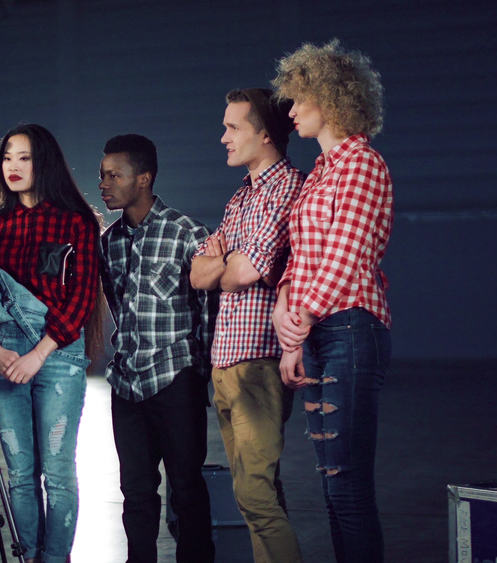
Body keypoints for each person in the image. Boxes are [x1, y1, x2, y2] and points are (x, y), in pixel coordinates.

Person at [271, 40, 394, 563]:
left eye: (300, 99)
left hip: (349, 329)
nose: (291, 110)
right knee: (331, 489)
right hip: (320, 329)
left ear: (332, 99)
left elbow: (347, 257)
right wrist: (285, 310)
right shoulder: (320, 173)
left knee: (348, 489)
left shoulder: (362, 164)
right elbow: (300, 258)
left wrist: (296, 325)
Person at [0, 124, 101, 563]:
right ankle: (27, 558)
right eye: (7, 157)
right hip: (3, 356)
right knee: (21, 474)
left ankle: (55, 558)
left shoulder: (75, 221)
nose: (13, 167)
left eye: (24, 157)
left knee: (58, 474)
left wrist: (37, 355)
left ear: (43, 162)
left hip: (58, 357)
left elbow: (80, 298)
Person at [190, 88, 304, 562]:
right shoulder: (241, 199)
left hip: (259, 362)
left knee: (256, 496)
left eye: (233, 127)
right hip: (225, 363)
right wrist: (226, 264)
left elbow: (243, 271)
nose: (223, 138)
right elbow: (200, 273)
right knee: (254, 495)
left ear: (265, 134)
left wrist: (228, 263)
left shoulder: (288, 188)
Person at [98, 134, 215, 562]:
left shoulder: (188, 233)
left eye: (115, 175)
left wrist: (196, 375)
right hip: (126, 385)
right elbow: (116, 301)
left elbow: (206, 310)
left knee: (186, 488)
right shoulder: (108, 242)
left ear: (143, 178)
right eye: (102, 175)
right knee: (136, 493)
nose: (104, 183)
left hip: (175, 379)